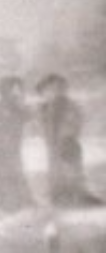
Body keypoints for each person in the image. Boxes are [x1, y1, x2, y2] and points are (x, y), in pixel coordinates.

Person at [36, 73, 90, 206]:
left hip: (67, 142)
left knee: (71, 169)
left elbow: (77, 121)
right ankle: (58, 195)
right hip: (53, 143)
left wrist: (69, 134)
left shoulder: (69, 105)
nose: (53, 92)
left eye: (57, 88)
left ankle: (75, 195)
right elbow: (42, 125)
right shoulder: (44, 107)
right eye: (48, 90)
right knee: (56, 169)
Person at [0, 76, 32, 213]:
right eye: (13, 89)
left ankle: (18, 200)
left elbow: (28, 116)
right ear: (6, 90)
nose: (16, 92)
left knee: (14, 170)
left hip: (13, 144)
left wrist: (21, 103)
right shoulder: (0, 106)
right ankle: (7, 201)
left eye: (18, 89)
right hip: (3, 144)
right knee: (6, 171)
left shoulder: (17, 105)